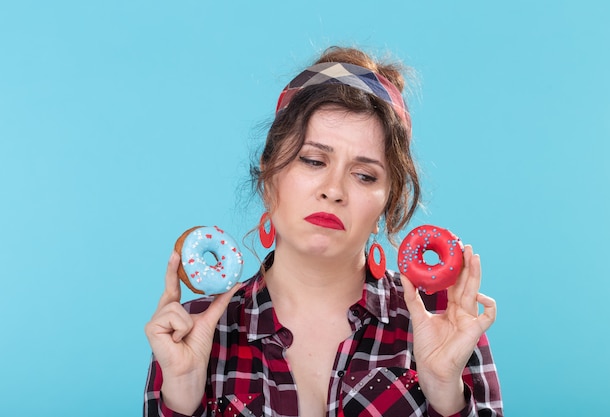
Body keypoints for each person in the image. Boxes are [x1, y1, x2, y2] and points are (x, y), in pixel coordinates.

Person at [144, 46, 503, 417]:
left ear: (387, 203)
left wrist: (446, 393)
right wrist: (181, 396)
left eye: (364, 175)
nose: (334, 189)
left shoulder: (440, 321)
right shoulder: (194, 330)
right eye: (313, 161)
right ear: (269, 178)